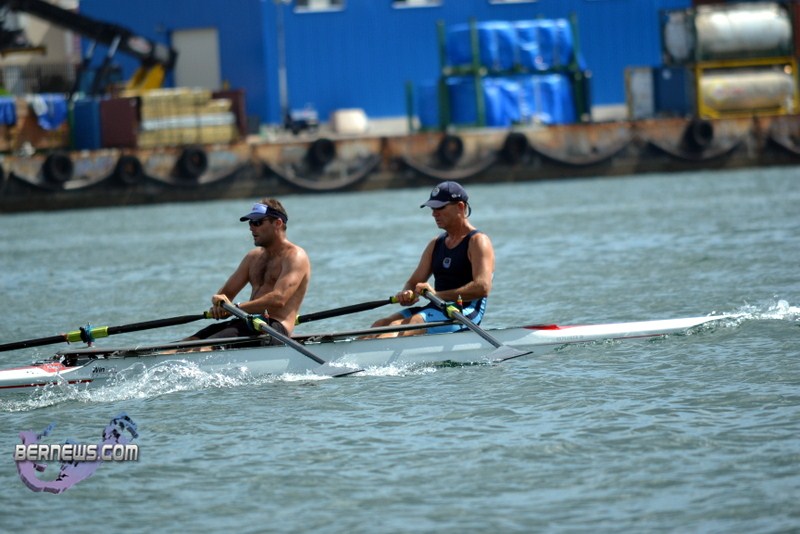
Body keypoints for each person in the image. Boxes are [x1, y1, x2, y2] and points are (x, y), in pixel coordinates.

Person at [370, 181, 495, 337]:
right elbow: (413, 282)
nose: (434, 214)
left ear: (460, 207)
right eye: (433, 209)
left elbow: (483, 287)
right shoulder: (436, 244)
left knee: (402, 325)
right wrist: (407, 293)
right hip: (438, 307)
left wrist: (437, 295)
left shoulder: (478, 241)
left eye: (440, 208)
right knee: (380, 324)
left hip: (466, 312)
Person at [187, 198, 311, 345]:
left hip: (274, 329)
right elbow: (226, 294)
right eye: (250, 222)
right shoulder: (253, 257)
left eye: (257, 222)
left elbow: (278, 300)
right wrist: (218, 303)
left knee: (205, 347)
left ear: (277, 223)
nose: (251, 228)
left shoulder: (295, 256)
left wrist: (235, 308)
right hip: (247, 323)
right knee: (187, 343)